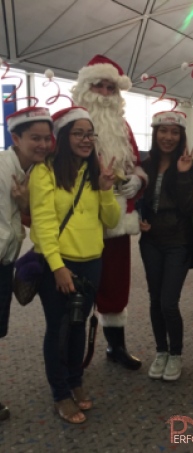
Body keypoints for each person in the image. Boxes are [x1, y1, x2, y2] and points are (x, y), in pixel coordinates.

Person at [29, 106, 120, 423]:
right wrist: (57, 266)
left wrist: (107, 192)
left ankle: (75, 381)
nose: (85, 139)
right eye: (78, 133)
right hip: (59, 263)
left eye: (90, 133)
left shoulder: (95, 171)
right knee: (58, 329)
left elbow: (110, 220)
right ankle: (60, 393)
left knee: (79, 325)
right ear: (64, 136)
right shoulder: (44, 172)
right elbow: (42, 224)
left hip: (91, 262)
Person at [71, 55, 147, 370]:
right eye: (98, 86)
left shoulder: (123, 126)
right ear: (85, 88)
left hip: (116, 220)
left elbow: (136, 165)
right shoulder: (68, 124)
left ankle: (116, 348)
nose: (104, 93)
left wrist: (137, 179)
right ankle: (71, 357)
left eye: (110, 87)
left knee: (115, 283)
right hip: (79, 223)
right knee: (76, 289)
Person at [0, 106, 53, 421]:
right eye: (35, 138)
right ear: (16, 138)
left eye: (47, 138)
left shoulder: (33, 171)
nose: (44, 145)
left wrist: (23, 205)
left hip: (5, 260)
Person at [139, 109, 193, 381]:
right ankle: (161, 351)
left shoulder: (188, 164)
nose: (169, 137)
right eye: (163, 131)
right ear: (155, 133)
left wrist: (184, 175)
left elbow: (190, 208)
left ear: (181, 135)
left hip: (178, 241)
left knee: (168, 302)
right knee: (153, 299)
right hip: (150, 241)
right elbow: (137, 199)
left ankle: (175, 353)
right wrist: (139, 219)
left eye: (174, 132)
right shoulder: (145, 164)